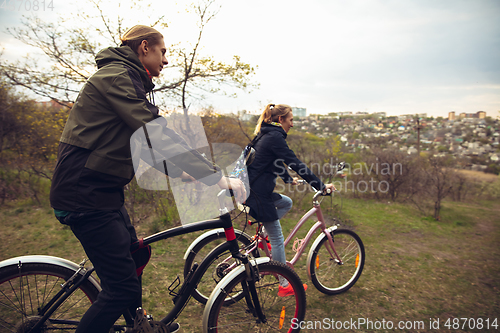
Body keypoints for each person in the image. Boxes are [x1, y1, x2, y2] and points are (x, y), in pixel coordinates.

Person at [49, 25, 245, 333]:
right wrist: (213, 176)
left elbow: (143, 145)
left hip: (102, 192)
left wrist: (183, 172)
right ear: (144, 47)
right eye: (163, 51)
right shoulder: (116, 78)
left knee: (135, 255)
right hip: (84, 194)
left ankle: (138, 326)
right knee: (121, 288)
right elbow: (154, 133)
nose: (166, 60)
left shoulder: (127, 80)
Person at [244, 103, 335, 297]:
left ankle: (262, 240)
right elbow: (295, 162)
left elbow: (274, 161)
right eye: (291, 120)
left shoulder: (265, 134)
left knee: (286, 202)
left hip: (253, 191)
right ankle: (284, 284)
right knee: (278, 239)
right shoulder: (275, 137)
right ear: (281, 120)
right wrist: (321, 186)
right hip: (258, 195)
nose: (292, 124)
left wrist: (287, 179)